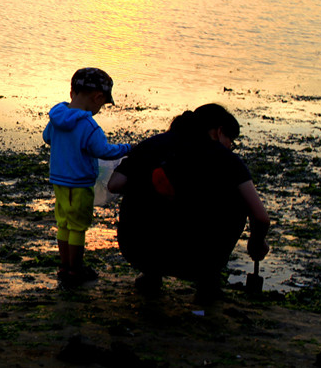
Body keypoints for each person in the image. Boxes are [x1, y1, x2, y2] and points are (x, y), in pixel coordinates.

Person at [107, 104, 271, 301]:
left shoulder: (152, 145)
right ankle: (207, 282)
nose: (230, 146)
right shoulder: (226, 158)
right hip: (197, 257)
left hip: (139, 249)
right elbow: (261, 217)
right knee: (237, 200)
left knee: (143, 187)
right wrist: (256, 242)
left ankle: (151, 274)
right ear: (219, 132)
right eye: (231, 140)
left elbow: (115, 185)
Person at [42, 67, 132, 287]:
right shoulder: (88, 125)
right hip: (80, 183)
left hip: (59, 181)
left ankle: (64, 266)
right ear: (97, 97)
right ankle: (75, 269)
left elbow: (47, 138)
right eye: (101, 104)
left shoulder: (56, 117)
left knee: (63, 223)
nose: (99, 108)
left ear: (72, 92)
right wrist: (127, 147)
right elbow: (103, 151)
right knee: (78, 227)